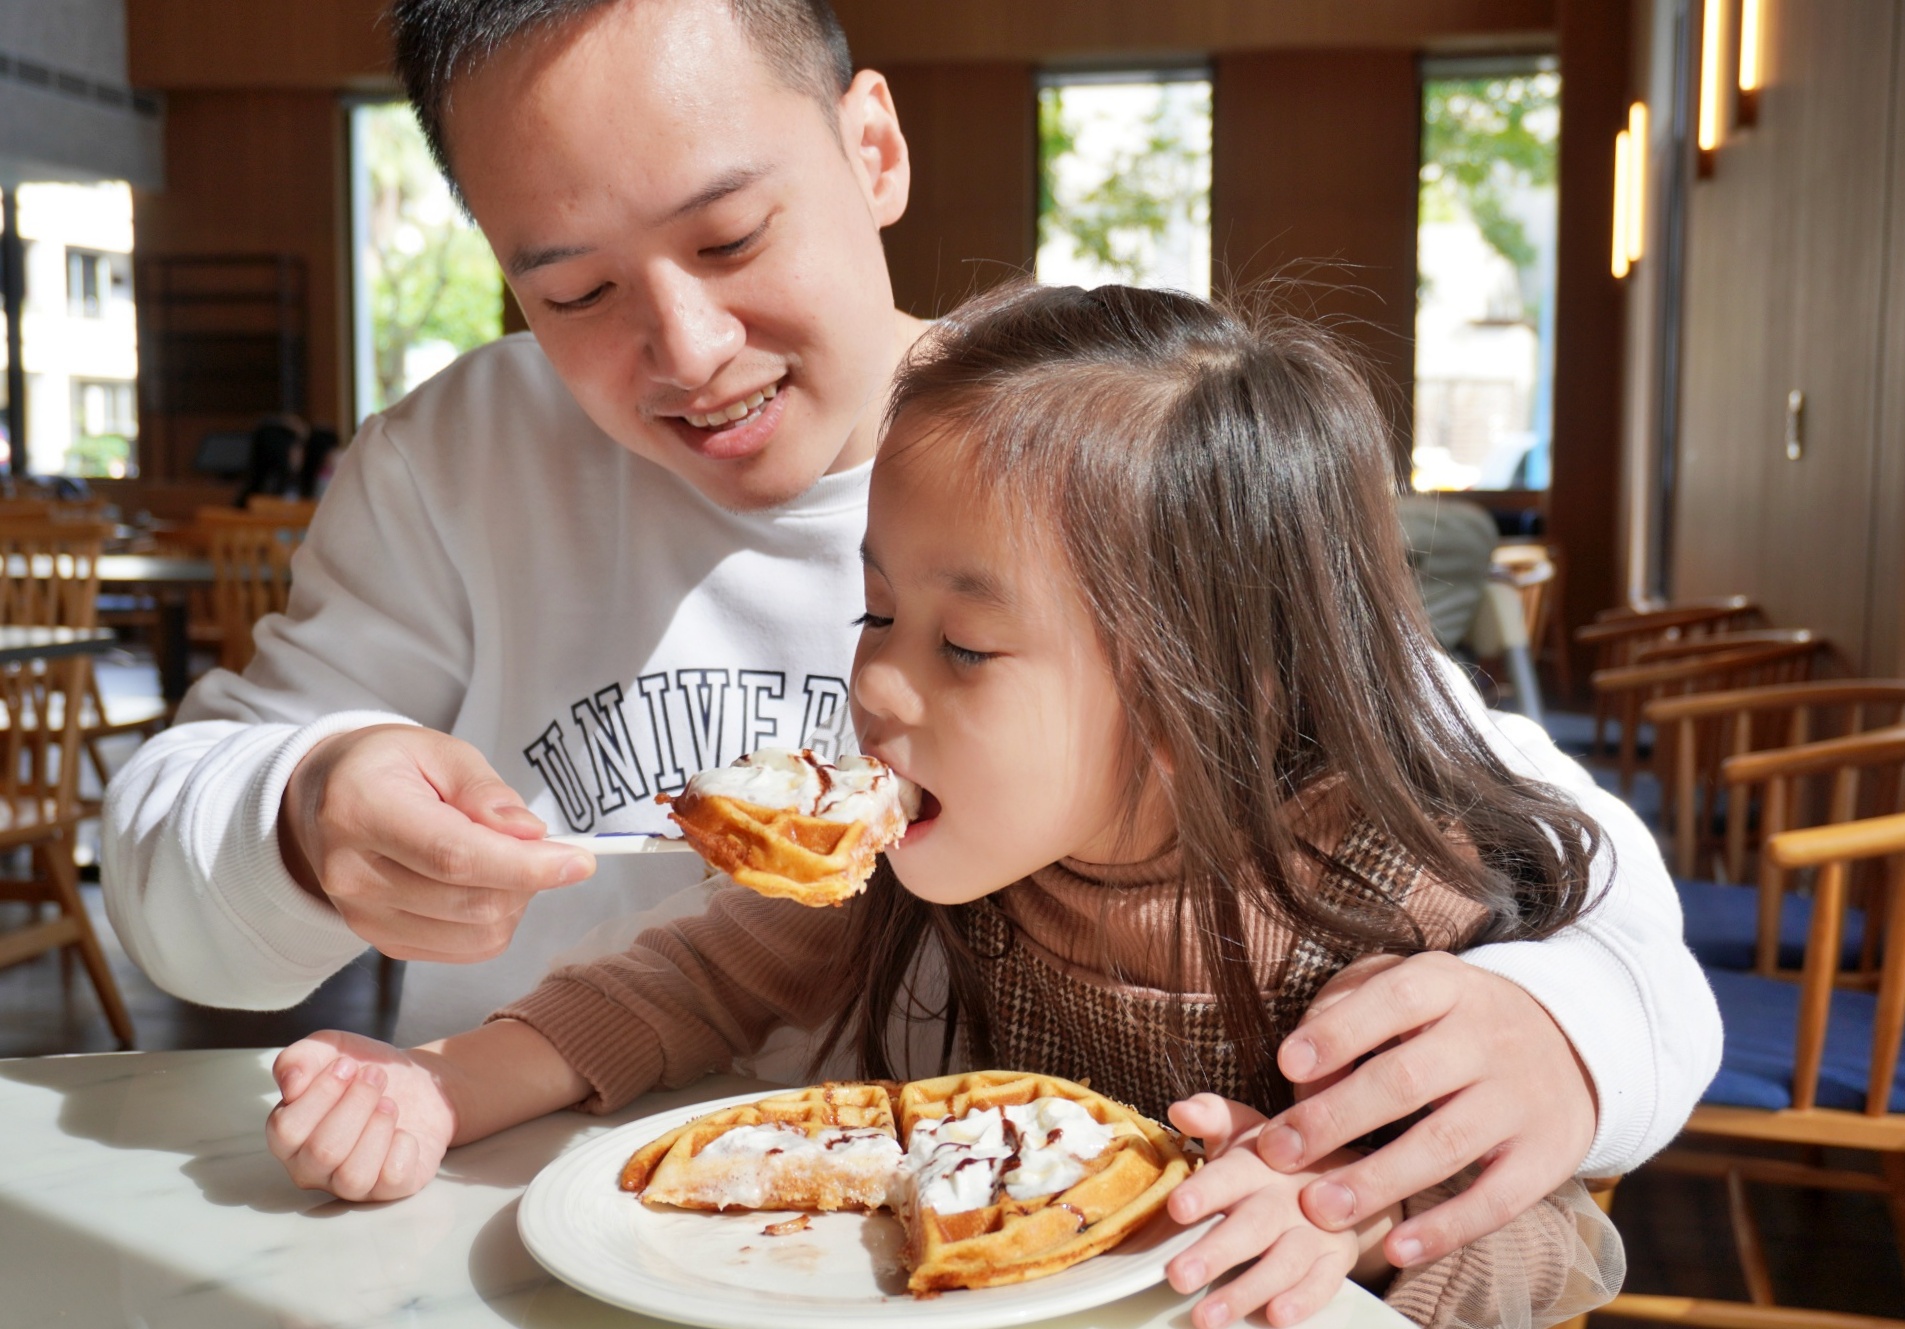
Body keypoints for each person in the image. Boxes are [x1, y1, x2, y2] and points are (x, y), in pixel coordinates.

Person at [104, 0, 1718, 1274]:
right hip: (556, 1240)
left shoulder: (1092, 462)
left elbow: (1542, 858)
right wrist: (307, 810)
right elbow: (186, 851)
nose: (686, 348)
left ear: (871, 147)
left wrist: (1557, 1033)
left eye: (731, 237)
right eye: (573, 291)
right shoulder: (448, 467)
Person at [264, 285, 1631, 1328]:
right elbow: (685, 978)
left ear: (1192, 697)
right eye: (872, 609)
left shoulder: (1381, 919)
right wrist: (439, 1086)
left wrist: (1356, 1217)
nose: (875, 680)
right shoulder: (928, 861)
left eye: (961, 647)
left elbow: (1549, 1246)